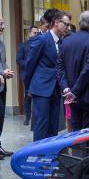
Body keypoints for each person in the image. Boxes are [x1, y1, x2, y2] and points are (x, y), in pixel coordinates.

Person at [26, 11, 71, 141]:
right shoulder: (42, 39)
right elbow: (30, 64)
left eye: (69, 25)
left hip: (56, 89)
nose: (68, 28)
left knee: (54, 125)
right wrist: (29, 88)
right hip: (41, 89)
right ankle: (38, 155)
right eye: (66, 25)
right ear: (56, 23)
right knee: (41, 124)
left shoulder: (63, 42)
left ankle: (50, 155)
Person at [57, 11, 89, 131]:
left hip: (70, 96)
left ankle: (78, 150)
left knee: (75, 133)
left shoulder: (66, 41)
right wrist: (74, 92)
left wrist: (66, 88)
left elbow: (60, 67)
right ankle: (87, 150)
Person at [16, 25, 39, 125]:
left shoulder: (39, 44)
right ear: (29, 33)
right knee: (28, 96)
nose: (35, 35)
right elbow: (18, 60)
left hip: (37, 74)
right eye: (34, 33)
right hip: (27, 75)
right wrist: (28, 64)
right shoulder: (23, 45)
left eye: (37, 33)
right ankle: (28, 117)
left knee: (38, 96)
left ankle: (36, 118)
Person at [0, 17, 15, 158]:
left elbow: (2, 63)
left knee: (1, 117)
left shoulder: (2, 44)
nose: (3, 26)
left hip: (2, 86)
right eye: (1, 24)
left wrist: (7, 71)